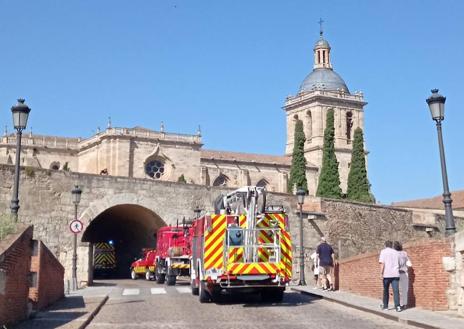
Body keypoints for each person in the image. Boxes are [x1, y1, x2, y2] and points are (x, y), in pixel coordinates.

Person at [379, 240, 401, 312]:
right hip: (395, 274)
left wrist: (381, 273)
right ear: (391, 245)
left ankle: (385, 306)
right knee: (396, 291)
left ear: (385, 245)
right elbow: (399, 263)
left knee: (386, 290)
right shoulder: (396, 252)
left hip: (386, 274)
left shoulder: (383, 252)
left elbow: (382, 263)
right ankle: (397, 306)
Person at [394, 241, 412, 310]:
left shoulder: (394, 254)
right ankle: (404, 304)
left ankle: (399, 304)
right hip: (404, 272)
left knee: (397, 290)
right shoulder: (405, 253)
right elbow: (409, 264)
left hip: (397, 273)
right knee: (404, 290)